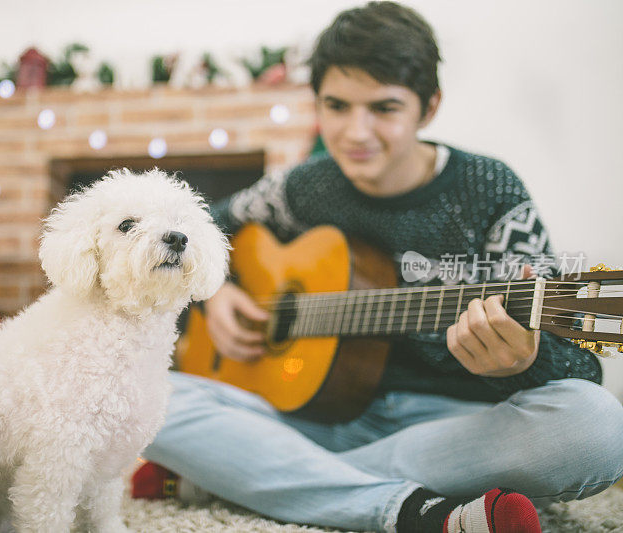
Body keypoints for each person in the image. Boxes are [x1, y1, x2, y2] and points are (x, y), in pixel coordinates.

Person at [136, 3, 623, 532]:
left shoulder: (488, 190)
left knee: (593, 426)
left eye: (384, 108)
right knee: (146, 395)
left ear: (428, 107)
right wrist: (218, 289)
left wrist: (524, 359)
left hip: (449, 430)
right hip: (321, 420)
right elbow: (204, 225)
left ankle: (254, 476)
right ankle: (407, 509)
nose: (355, 132)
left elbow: (583, 367)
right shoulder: (306, 187)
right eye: (337, 106)